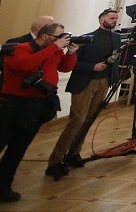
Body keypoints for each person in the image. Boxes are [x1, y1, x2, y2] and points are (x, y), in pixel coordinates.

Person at [0, 23, 78, 202]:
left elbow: (64, 67)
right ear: (45, 36)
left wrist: (70, 53)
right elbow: (24, 65)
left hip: (36, 106)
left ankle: (3, 186)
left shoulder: (54, 50)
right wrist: (55, 47)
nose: (63, 40)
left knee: (18, 149)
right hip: (12, 105)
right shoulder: (19, 48)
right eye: (59, 36)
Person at [46, 8, 123, 180]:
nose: (114, 20)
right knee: (77, 120)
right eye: (111, 18)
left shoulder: (117, 38)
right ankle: (56, 159)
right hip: (85, 82)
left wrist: (114, 78)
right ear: (101, 19)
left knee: (89, 119)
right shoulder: (86, 38)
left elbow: (115, 59)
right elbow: (72, 63)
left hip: (103, 81)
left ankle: (74, 153)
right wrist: (92, 67)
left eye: (116, 18)